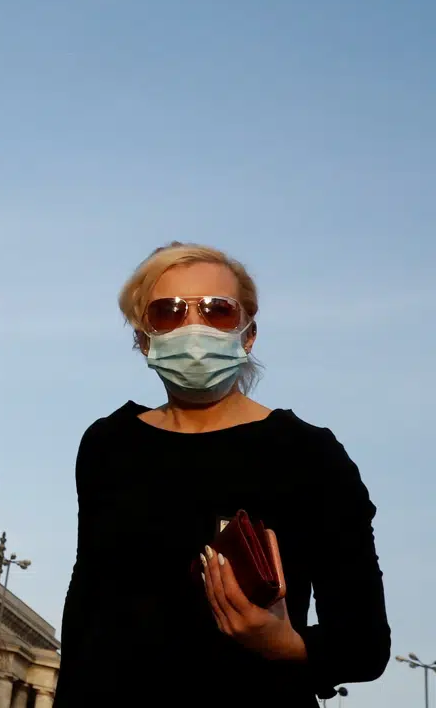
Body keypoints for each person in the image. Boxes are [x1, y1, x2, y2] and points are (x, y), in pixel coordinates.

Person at [55, 243, 390, 707]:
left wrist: (284, 644)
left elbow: (365, 644)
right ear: (144, 338)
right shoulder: (107, 444)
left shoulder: (310, 455)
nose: (194, 327)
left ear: (247, 335)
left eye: (217, 310)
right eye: (169, 311)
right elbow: (85, 608)